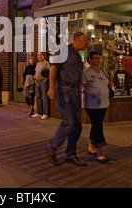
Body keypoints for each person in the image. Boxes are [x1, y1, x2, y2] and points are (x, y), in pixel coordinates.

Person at [46, 31, 89, 166]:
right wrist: (51, 87)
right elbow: (54, 69)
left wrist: (81, 87)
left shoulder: (78, 56)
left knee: (77, 126)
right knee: (69, 122)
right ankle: (52, 147)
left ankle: (70, 154)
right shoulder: (63, 50)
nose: (87, 43)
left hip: (75, 92)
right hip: (64, 91)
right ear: (79, 40)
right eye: (86, 41)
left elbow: (78, 74)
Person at [82, 51, 110, 163]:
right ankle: (99, 152)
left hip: (103, 102)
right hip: (91, 104)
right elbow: (81, 86)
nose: (98, 60)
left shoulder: (102, 70)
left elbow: (107, 82)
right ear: (90, 60)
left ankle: (91, 146)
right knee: (98, 125)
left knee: (96, 124)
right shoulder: (85, 72)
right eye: (96, 58)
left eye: (99, 58)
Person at [32, 52, 50, 120]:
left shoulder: (46, 63)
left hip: (43, 82)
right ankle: (39, 113)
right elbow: (36, 71)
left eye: (41, 55)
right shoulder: (38, 64)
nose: (39, 56)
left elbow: (49, 71)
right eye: (38, 55)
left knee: (44, 98)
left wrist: (46, 79)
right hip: (37, 82)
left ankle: (45, 113)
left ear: (43, 56)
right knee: (38, 98)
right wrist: (35, 78)